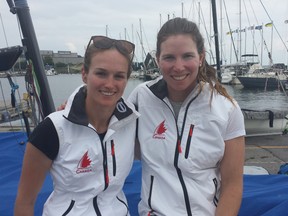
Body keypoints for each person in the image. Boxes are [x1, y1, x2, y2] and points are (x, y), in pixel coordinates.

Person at [128, 17, 245, 216]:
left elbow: (232, 186)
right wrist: (72, 108)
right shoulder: (141, 97)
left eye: (187, 56)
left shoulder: (227, 109)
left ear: (201, 57)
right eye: (169, 57)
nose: (179, 66)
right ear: (158, 59)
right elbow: (104, 127)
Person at [14, 35, 139, 216]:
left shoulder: (132, 122)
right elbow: (25, 201)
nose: (110, 84)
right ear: (84, 74)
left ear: (126, 80)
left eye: (119, 76)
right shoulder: (52, 129)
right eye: (101, 73)